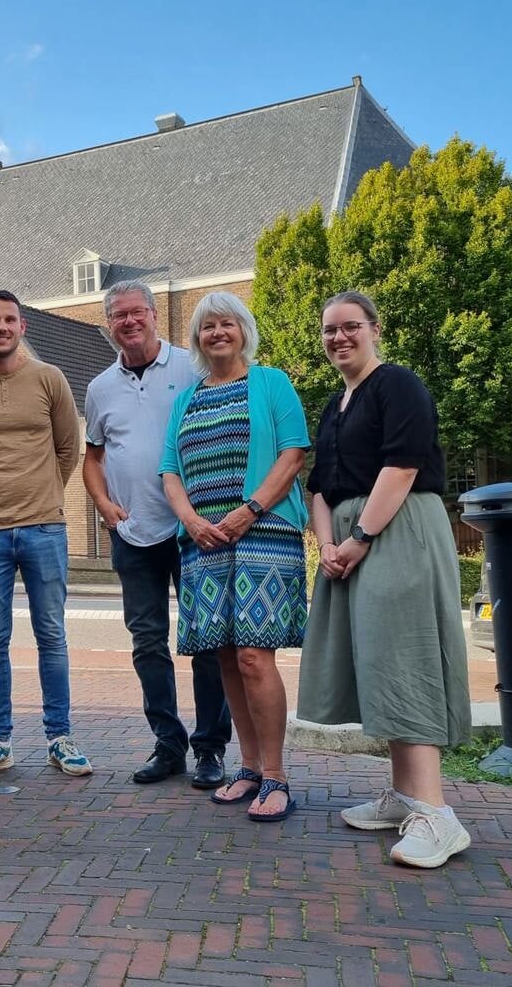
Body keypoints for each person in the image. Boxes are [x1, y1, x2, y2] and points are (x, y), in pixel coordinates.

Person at [300, 290, 473, 868]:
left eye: (350, 326)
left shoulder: (398, 384)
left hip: (395, 529)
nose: (339, 338)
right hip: (349, 538)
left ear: (374, 328)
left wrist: (360, 538)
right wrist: (327, 543)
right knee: (377, 662)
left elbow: (403, 466)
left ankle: (437, 816)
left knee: (405, 658)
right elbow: (319, 486)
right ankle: (404, 798)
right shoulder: (334, 405)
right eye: (329, 330)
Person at [158, 291, 310, 822]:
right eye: (206, 327)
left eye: (226, 324)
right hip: (203, 540)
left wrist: (249, 510)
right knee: (223, 654)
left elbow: (293, 453)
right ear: (197, 339)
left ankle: (276, 775)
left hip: (264, 531)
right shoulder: (186, 398)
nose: (217, 333)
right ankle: (247, 768)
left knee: (253, 654)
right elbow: (169, 470)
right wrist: (193, 522)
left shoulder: (271, 382)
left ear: (243, 330)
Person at [82, 280, 231, 788]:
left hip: (194, 530)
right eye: (118, 316)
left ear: (152, 314)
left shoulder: (192, 368)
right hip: (134, 532)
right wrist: (103, 504)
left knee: (207, 641)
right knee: (147, 642)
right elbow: (93, 458)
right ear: (110, 325)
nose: (129, 322)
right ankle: (168, 745)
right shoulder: (100, 388)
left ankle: (211, 749)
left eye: (136, 312)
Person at [0, 289, 90, 779]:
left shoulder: (50, 379)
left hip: (45, 527)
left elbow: (70, 447)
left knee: (51, 635)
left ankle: (60, 738)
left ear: (22, 327)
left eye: (9, 319)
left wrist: (42, 493)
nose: (1, 327)